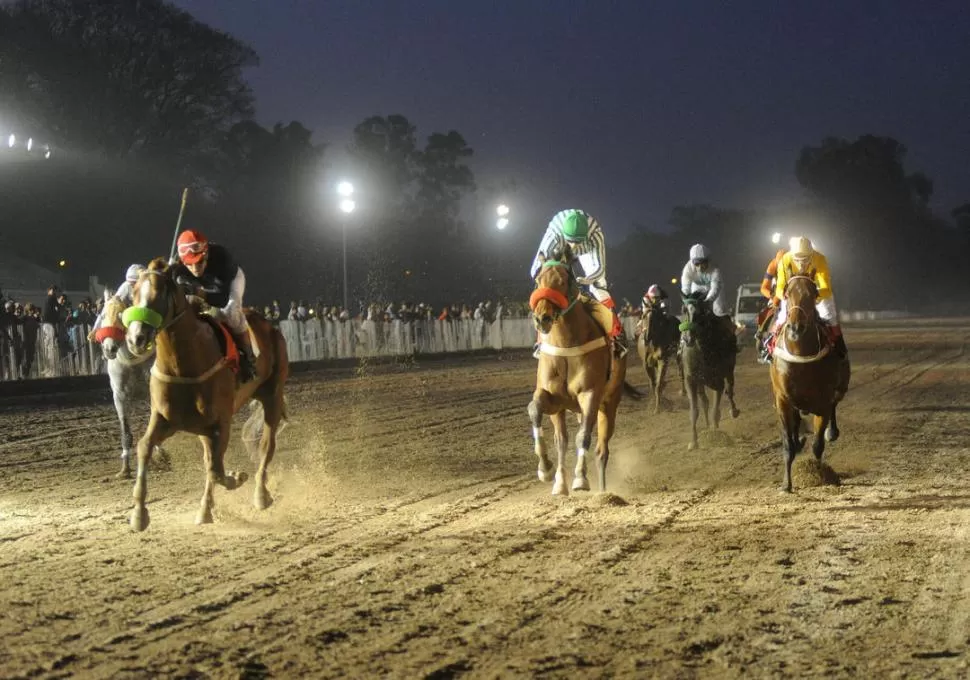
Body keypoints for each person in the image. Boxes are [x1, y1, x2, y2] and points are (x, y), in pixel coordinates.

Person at [529, 209, 627, 359]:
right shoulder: (555, 231)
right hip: (558, 242)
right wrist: (544, 277)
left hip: (587, 249)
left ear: (585, 236)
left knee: (599, 287)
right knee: (545, 280)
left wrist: (586, 280)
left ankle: (615, 335)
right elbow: (535, 268)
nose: (573, 247)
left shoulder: (595, 235)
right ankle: (540, 341)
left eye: (577, 242)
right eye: (571, 241)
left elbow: (599, 270)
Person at [173, 229, 257, 382]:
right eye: (189, 264)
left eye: (198, 262)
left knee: (230, 311)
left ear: (206, 253)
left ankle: (248, 356)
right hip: (202, 285)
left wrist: (198, 292)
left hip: (229, 282)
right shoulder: (177, 266)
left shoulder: (221, 258)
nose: (195, 268)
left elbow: (222, 299)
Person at [773, 236, 848, 358]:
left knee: (829, 315)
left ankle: (840, 344)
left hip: (816, 291)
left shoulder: (820, 259)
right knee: (782, 317)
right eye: (798, 259)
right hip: (793, 292)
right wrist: (784, 294)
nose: (802, 263)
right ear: (792, 255)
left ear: (811, 254)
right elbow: (780, 287)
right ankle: (770, 345)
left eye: (805, 259)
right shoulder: (785, 260)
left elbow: (825, 286)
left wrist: (813, 297)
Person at [680, 244, 737, 351]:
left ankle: (731, 339)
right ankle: (682, 341)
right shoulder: (687, 269)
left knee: (719, 310)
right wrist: (687, 301)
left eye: (703, 263)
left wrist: (708, 301)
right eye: (697, 263)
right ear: (692, 262)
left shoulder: (715, 269)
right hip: (697, 287)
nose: (700, 267)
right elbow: (685, 288)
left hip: (714, 288)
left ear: (708, 260)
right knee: (691, 309)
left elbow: (715, 288)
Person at [755, 249, 786, 363]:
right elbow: (763, 288)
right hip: (776, 296)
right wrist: (772, 296)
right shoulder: (772, 265)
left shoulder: (794, 265)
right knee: (768, 315)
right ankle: (762, 342)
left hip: (791, 295)